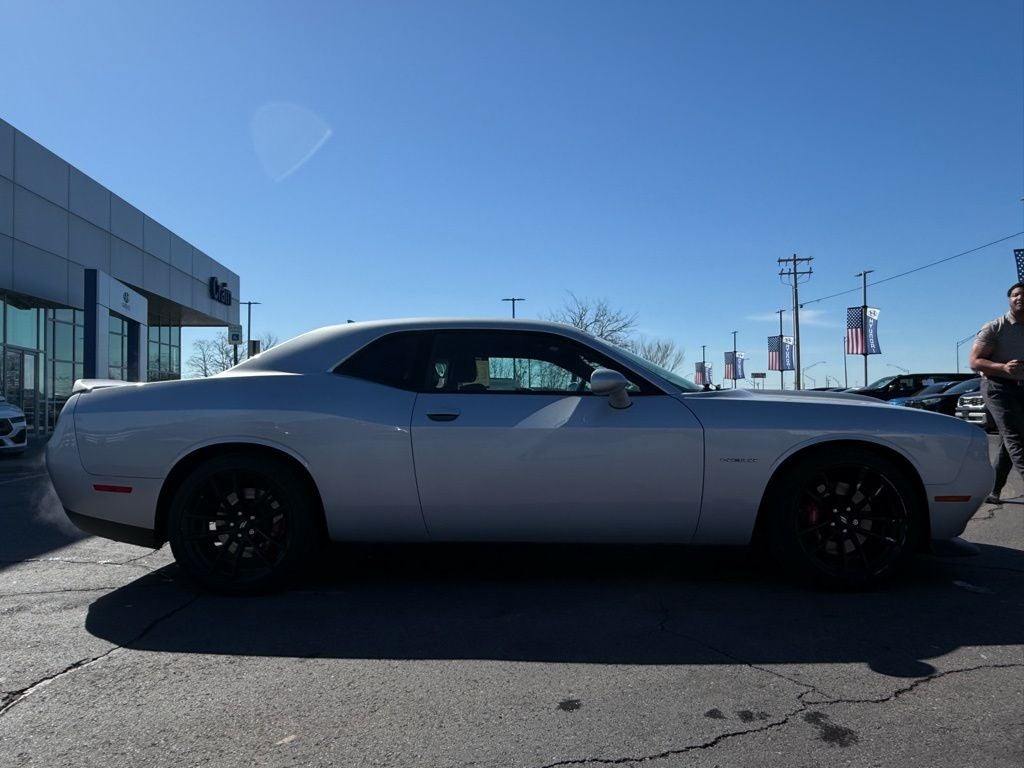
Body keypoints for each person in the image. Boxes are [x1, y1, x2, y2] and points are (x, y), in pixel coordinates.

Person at [969, 281, 1024, 504]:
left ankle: (994, 491)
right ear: (1009, 300)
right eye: (1015, 295)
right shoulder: (995, 327)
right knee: (1016, 437)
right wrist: (1002, 367)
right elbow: (974, 362)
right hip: (997, 387)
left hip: (1021, 387)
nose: (1020, 298)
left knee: (1008, 441)